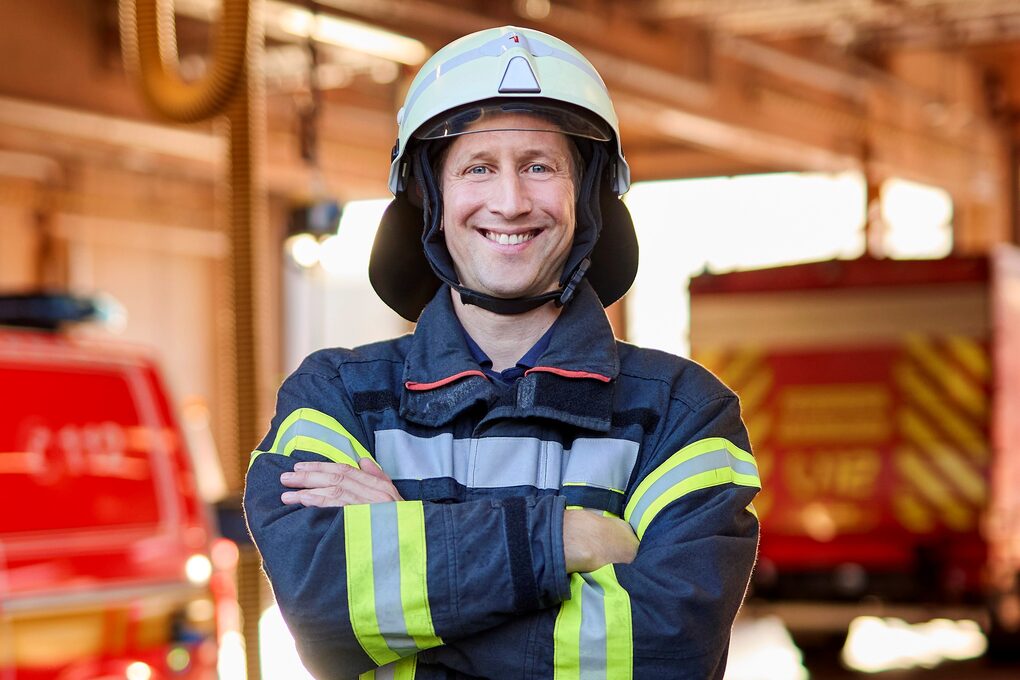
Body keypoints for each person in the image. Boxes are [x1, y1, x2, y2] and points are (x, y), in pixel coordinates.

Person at [244, 26, 761, 680]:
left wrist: (409, 546)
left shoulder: (683, 416)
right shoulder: (339, 398)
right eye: (478, 167)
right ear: (429, 198)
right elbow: (323, 612)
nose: (510, 202)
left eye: (539, 166)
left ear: (588, 196)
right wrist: (564, 539)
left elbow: (662, 654)